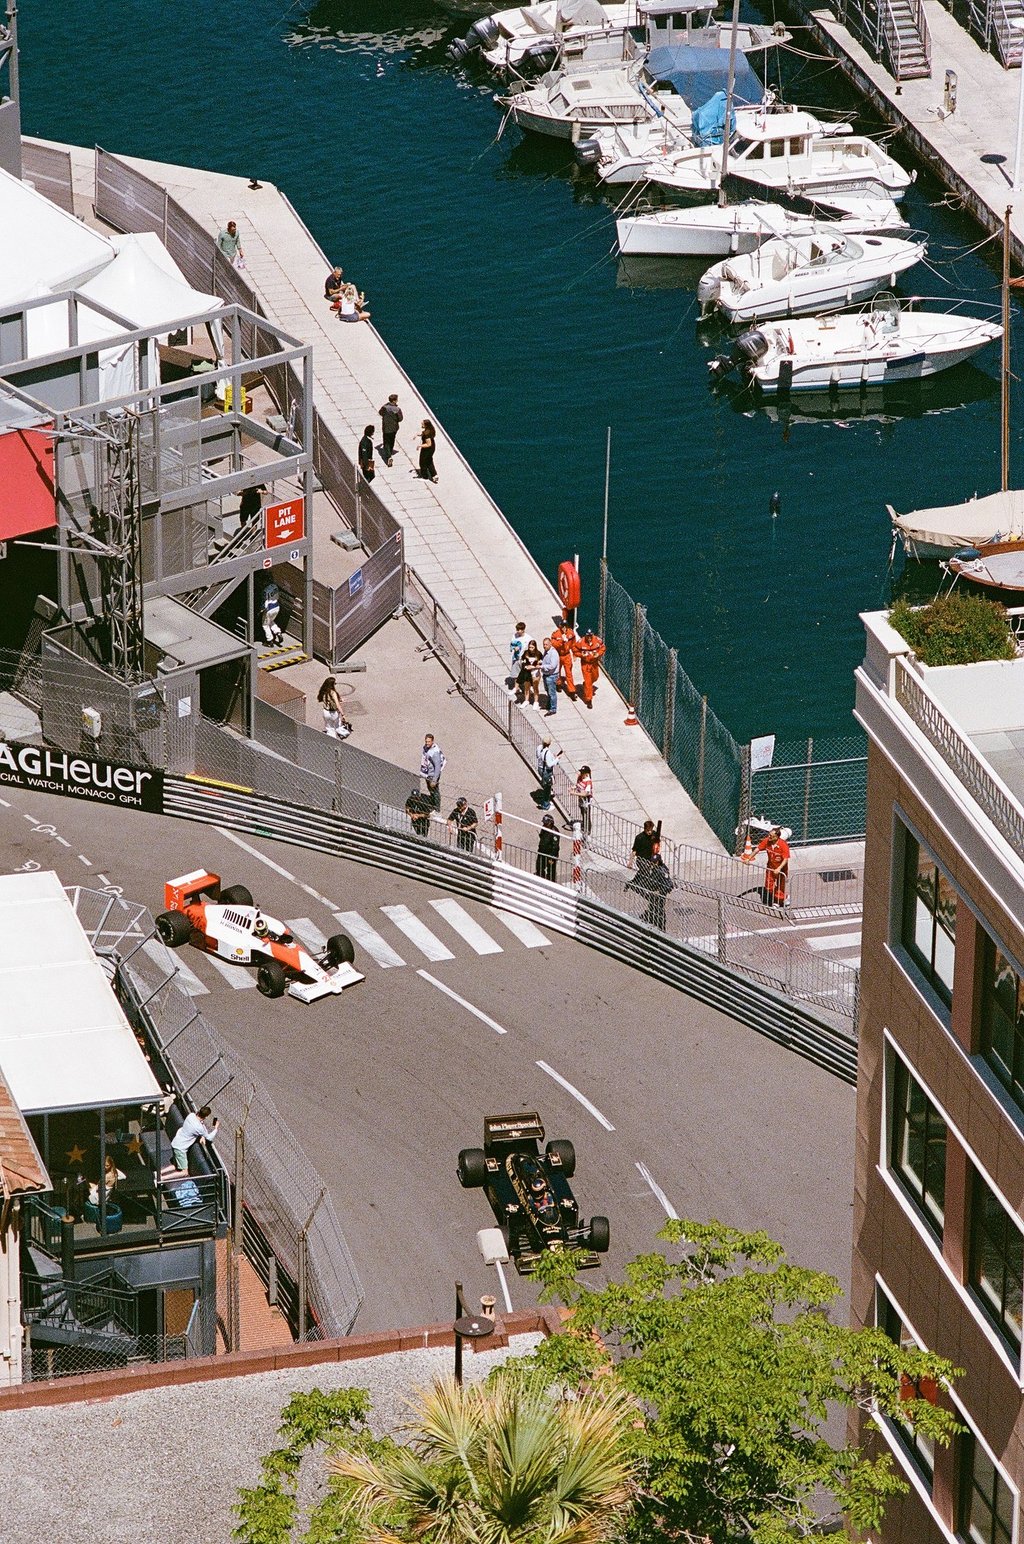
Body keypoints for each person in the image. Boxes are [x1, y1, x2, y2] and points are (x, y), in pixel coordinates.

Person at [744, 824, 791, 907]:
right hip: (770, 867)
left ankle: (777, 901)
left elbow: (785, 859)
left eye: (771, 836)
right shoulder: (766, 841)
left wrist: (779, 868)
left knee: (781, 886)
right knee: (768, 886)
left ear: (777, 837)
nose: (769, 837)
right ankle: (782, 897)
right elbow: (757, 849)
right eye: (769, 835)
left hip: (781, 869)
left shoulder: (783, 845)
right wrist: (749, 858)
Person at [170, 1105, 218, 1175]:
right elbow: (209, 1137)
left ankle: (158, 1174)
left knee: (175, 1166)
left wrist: (202, 1135)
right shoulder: (199, 1127)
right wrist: (216, 1128)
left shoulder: (191, 1115)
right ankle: (161, 1178)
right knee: (185, 1172)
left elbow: (199, 1127)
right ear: (206, 1117)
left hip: (175, 1142)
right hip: (180, 1149)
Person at [575, 626, 606, 709]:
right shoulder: (581, 642)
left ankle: (586, 685)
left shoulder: (597, 640)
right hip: (585, 664)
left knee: (595, 677)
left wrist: (598, 654)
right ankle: (589, 700)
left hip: (594, 663)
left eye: (590, 636)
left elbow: (603, 648)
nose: (589, 638)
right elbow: (575, 650)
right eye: (587, 636)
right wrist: (581, 655)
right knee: (588, 683)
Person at [552, 619, 578, 700]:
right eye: (562, 626)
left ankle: (572, 691)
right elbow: (553, 644)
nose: (564, 628)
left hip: (567, 656)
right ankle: (558, 684)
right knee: (557, 671)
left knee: (569, 673)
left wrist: (574, 654)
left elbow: (574, 644)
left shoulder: (571, 633)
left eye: (565, 626)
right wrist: (561, 641)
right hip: (558, 655)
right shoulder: (556, 634)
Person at [421, 732, 445, 810]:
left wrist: (434, 780)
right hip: (427, 773)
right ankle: (432, 804)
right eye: (426, 741)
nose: (427, 743)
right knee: (430, 790)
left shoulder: (435, 753)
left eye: (429, 742)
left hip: (432, 775)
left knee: (435, 792)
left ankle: (437, 808)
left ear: (432, 741)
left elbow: (437, 767)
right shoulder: (426, 748)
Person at [535, 735, 560, 810]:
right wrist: (557, 759)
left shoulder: (539, 747)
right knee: (548, 787)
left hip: (540, 768)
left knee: (546, 785)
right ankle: (546, 804)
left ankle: (546, 799)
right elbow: (549, 764)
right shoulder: (547, 752)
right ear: (549, 744)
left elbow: (538, 756)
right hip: (546, 771)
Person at [379, 394, 403, 466]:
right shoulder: (397, 409)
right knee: (392, 440)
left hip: (386, 427)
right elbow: (400, 419)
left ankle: (388, 456)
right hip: (394, 428)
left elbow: (380, 413)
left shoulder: (385, 407)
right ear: (394, 400)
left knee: (386, 442)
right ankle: (390, 452)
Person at [536, 814, 560, 881]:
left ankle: (551, 882)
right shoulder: (544, 828)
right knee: (539, 867)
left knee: (551, 871)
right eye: (544, 823)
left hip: (550, 855)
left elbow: (555, 846)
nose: (544, 825)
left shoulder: (554, 833)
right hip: (542, 851)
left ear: (550, 823)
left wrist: (552, 857)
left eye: (546, 823)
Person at [519, 640, 543, 708]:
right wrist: (526, 667)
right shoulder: (525, 653)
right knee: (526, 687)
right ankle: (526, 700)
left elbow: (541, 663)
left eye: (532, 647)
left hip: (535, 673)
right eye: (529, 647)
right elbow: (523, 662)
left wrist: (532, 667)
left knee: (535, 687)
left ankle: (536, 701)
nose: (531, 649)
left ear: (535, 647)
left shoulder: (539, 654)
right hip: (527, 673)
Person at [540, 636, 560, 716]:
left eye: (546, 644)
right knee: (548, 691)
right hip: (546, 675)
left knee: (552, 693)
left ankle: (553, 708)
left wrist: (541, 666)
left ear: (550, 644)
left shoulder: (553, 653)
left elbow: (552, 666)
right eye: (544, 644)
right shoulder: (546, 651)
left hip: (552, 676)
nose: (544, 646)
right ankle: (549, 705)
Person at [507, 621, 527, 696]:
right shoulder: (514, 636)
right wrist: (514, 648)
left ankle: (527, 689)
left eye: (519, 630)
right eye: (517, 630)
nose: (518, 631)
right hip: (516, 657)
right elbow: (512, 644)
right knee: (516, 674)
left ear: (523, 630)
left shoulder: (527, 638)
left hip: (524, 659)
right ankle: (516, 688)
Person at [575, 765, 594, 838]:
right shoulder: (581, 778)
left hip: (586, 802)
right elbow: (578, 785)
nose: (581, 773)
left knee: (587, 816)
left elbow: (586, 793)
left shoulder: (588, 782)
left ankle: (587, 831)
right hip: (581, 801)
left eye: (583, 772)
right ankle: (584, 825)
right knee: (583, 814)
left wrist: (574, 793)